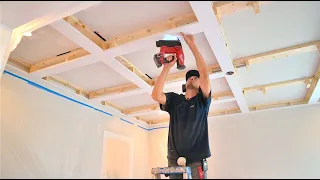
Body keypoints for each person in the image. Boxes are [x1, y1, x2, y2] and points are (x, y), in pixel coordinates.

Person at [151, 32, 212, 179]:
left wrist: (192, 45)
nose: (192, 79)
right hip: (174, 160)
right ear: (185, 84)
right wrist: (166, 67)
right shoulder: (175, 100)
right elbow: (156, 95)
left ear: (200, 83)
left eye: (195, 77)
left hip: (196, 161)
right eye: (189, 78)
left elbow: (204, 73)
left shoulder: (202, 101)